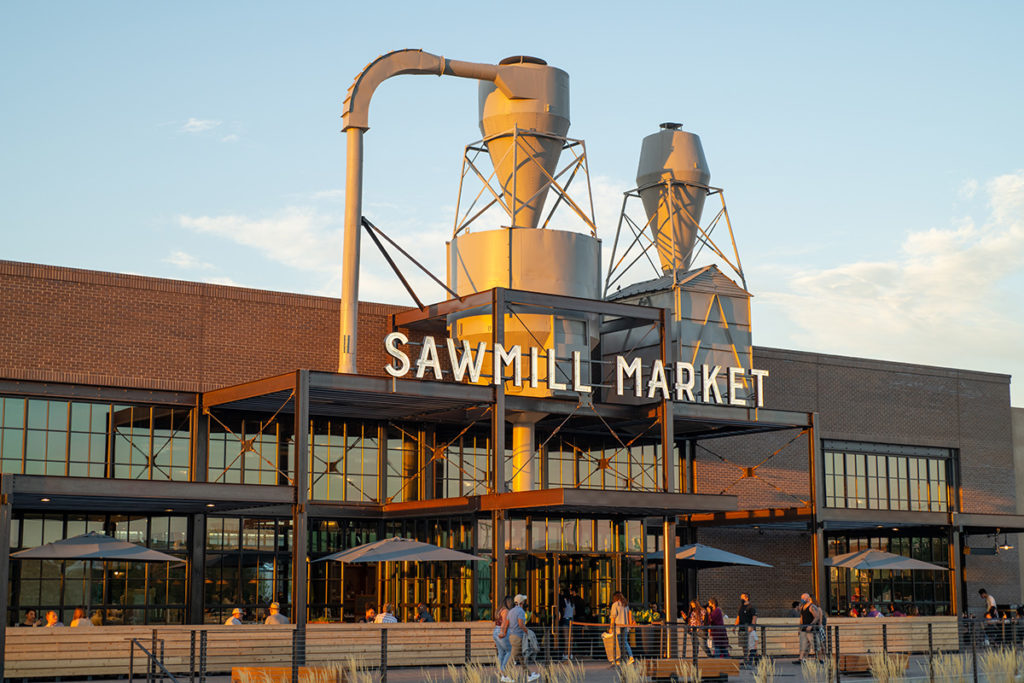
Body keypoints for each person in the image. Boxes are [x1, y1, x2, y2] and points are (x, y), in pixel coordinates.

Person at [506, 594, 540, 682]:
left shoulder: (511, 611)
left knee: (521, 657)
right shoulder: (520, 611)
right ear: (521, 602)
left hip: (512, 636)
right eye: (523, 601)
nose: (524, 602)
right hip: (518, 637)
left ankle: (529, 675)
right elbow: (521, 624)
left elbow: (507, 624)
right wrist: (528, 632)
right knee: (513, 657)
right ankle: (505, 675)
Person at [608, 591, 634, 665]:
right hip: (625, 626)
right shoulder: (625, 605)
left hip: (618, 627)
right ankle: (631, 656)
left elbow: (613, 617)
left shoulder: (615, 605)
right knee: (625, 642)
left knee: (617, 643)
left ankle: (617, 659)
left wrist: (611, 627)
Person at [795, 593, 822, 664]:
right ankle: (800, 659)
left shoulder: (812, 607)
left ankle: (820, 659)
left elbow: (817, 617)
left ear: (808, 598)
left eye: (803, 598)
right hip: (803, 629)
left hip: (811, 630)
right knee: (803, 644)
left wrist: (811, 625)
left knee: (816, 644)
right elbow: (801, 618)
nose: (802, 600)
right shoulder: (802, 607)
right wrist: (799, 628)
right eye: (802, 598)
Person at [736, 592, 758, 666]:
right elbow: (738, 616)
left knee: (751, 645)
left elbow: (754, 617)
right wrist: (735, 625)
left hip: (749, 629)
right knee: (744, 645)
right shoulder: (740, 607)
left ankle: (753, 659)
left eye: (742, 597)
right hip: (741, 628)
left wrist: (751, 627)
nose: (741, 599)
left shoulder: (751, 607)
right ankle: (746, 659)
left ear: (746, 598)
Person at [493, 595, 513, 677]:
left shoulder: (499, 610)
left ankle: (499, 670)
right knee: (509, 651)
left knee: (501, 652)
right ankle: (502, 669)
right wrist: (503, 633)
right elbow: (504, 622)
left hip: (495, 631)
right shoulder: (506, 611)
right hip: (501, 631)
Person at [556, 586, 574, 660]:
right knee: (571, 638)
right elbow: (574, 612)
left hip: (565, 619)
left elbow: (562, 610)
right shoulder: (572, 602)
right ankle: (571, 653)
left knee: (566, 638)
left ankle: (566, 653)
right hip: (571, 620)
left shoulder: (564, 601)